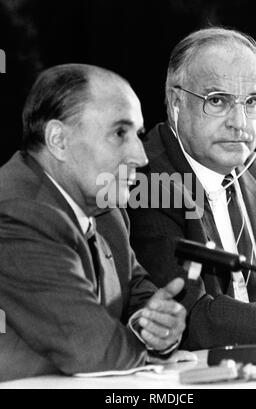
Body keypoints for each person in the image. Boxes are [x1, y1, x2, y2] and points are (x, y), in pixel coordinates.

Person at [0, 64, 186, 382]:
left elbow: (135, 294)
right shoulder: (17, 211)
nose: (141, 156)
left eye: (138, 135)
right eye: (119, 133)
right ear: (58, 139)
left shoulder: (106, 211)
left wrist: (155, 323)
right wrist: (144, 345)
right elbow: (93, 349)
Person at [128, 27, 256, 350]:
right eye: (218, 101)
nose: (240, 122)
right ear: (176, 102)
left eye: (252, 102)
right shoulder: (147, 179)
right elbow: (191, 318)